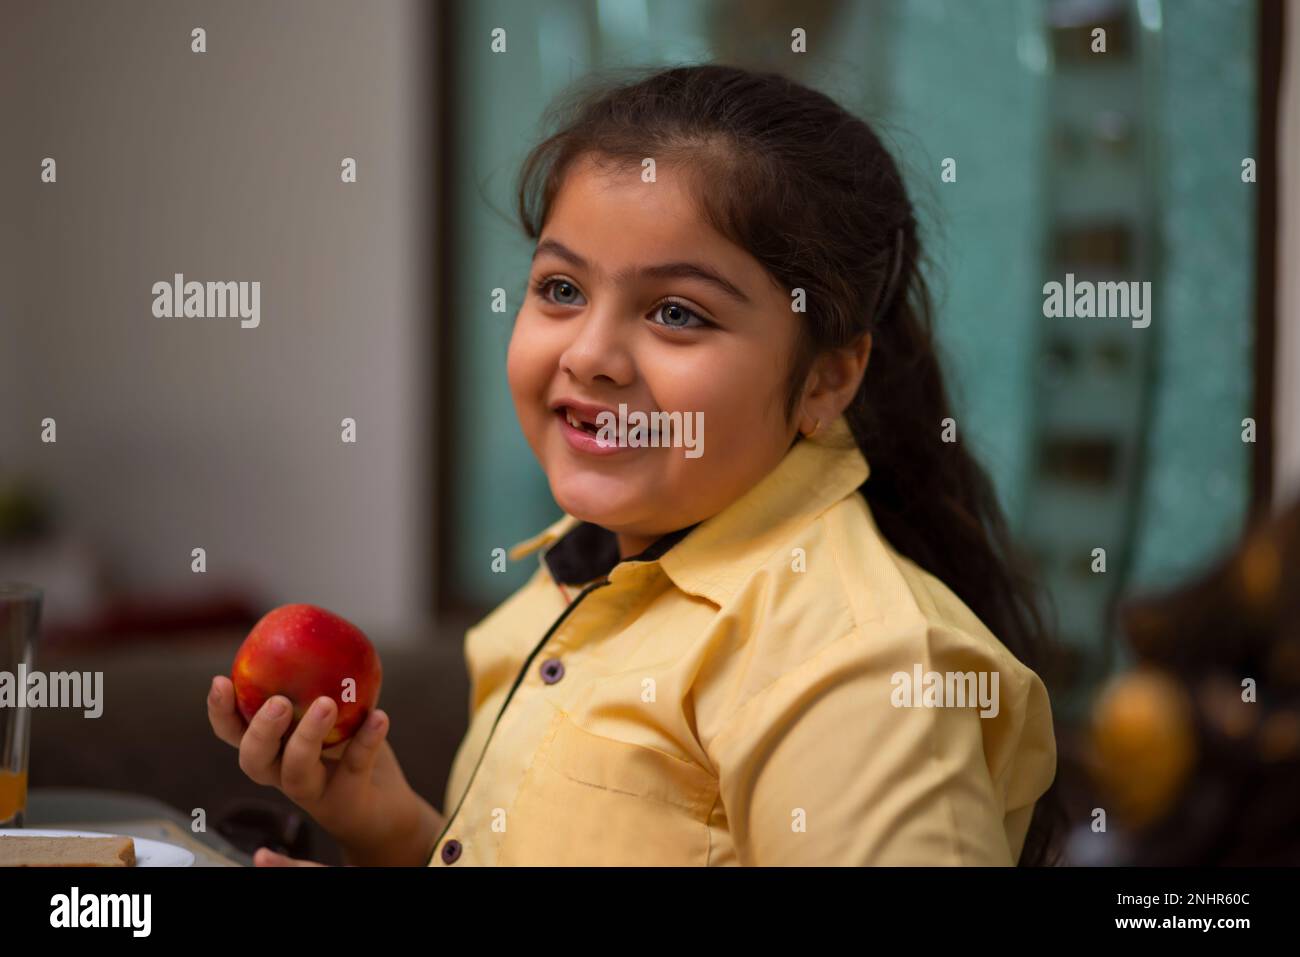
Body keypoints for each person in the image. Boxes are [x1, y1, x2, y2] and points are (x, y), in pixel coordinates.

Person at [208, 63, 1061, 866]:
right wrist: (387, 825)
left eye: (678, 312)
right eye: (563, 289)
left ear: (826, 379)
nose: (592, 354)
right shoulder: (585, 565)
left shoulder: (865, 670)